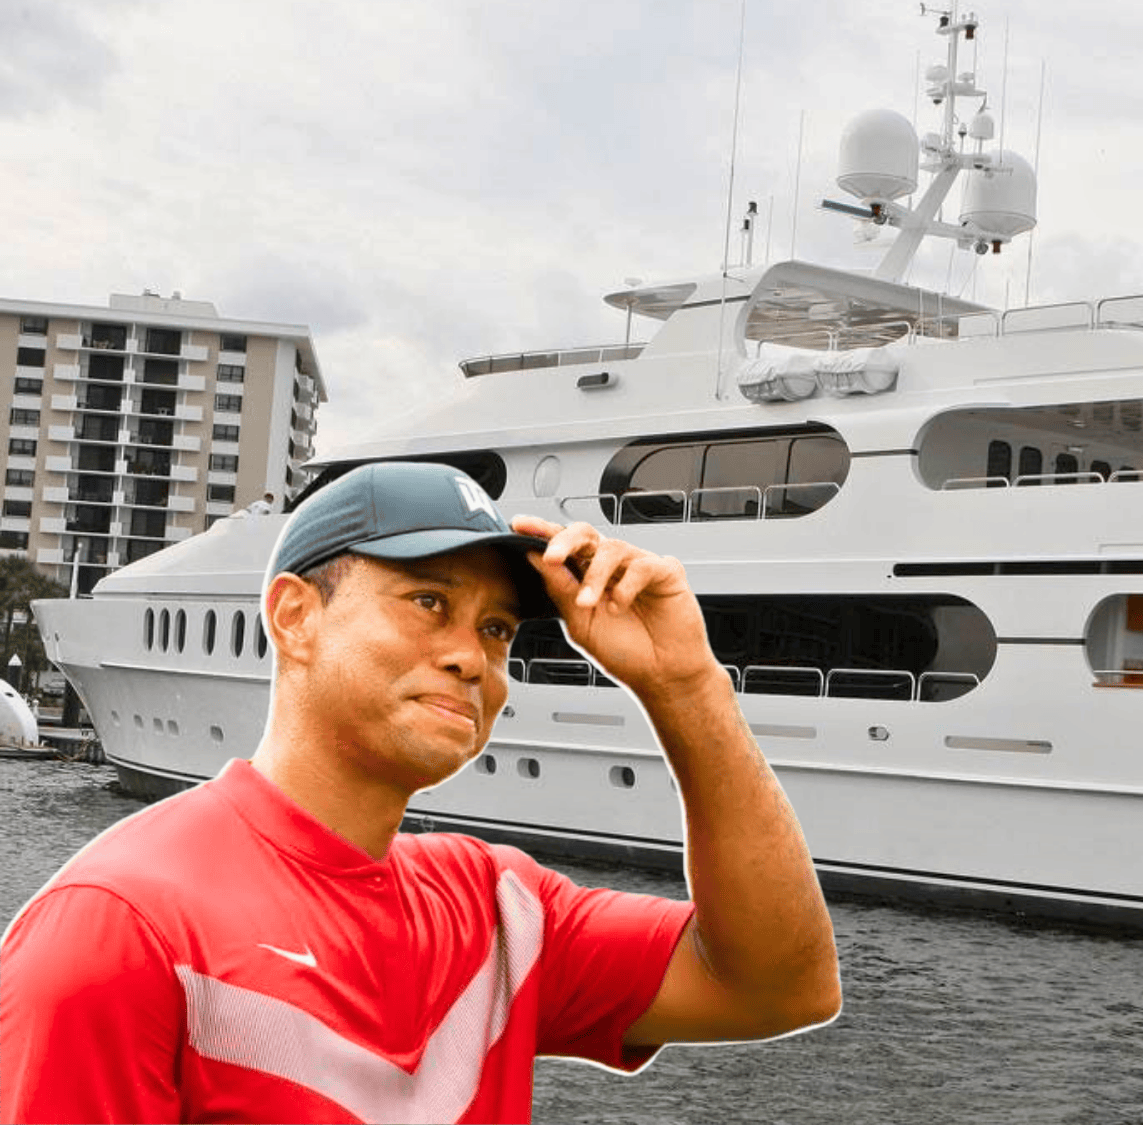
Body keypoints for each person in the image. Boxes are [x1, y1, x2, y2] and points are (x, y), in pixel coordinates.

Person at [0, 462, 840, 1122]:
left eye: (496, 628)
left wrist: (685, 685)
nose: (470, 655)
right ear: (294, 616)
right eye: (428, 600)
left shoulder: (499, 910)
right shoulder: (120, 926)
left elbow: (781, 985)